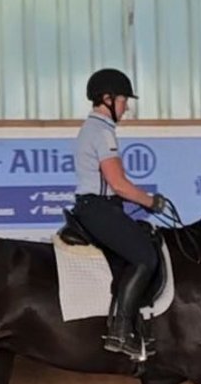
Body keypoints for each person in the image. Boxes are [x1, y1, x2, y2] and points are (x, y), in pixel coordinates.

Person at [69, 68, 168, 358]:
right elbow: (119, 184)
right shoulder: (101, 132)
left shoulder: (96, 129)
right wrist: (151, 202)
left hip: (99, 207)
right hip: (98, 208)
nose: (127, 107)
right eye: (124, 100)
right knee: (145, 257)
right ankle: (121, 331)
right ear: (107, 99)